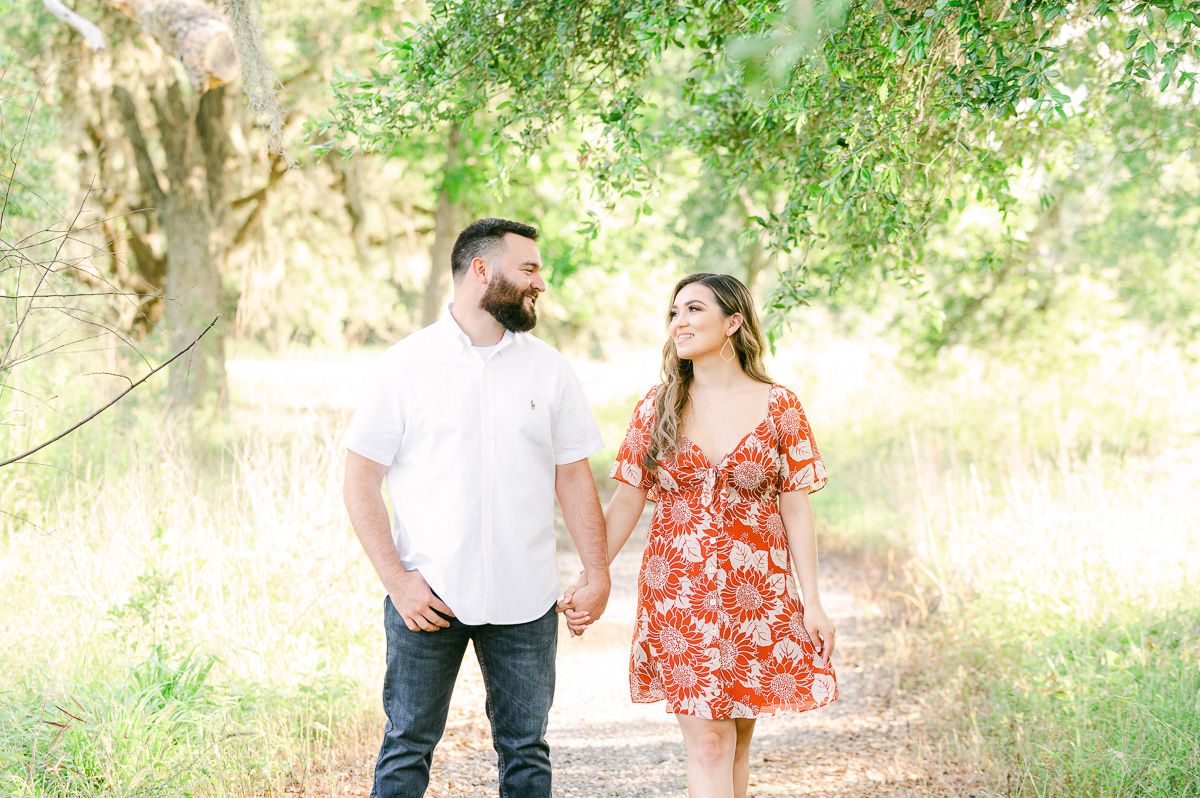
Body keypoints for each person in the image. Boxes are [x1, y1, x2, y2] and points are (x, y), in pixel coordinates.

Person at [342, 217, 611, 798]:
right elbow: (360, 481)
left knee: (526, 751)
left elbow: (573, 475)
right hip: (428, 598)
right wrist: (399, 582)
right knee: (407, 744)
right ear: (482, 271)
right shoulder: (403, 366)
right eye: (530, 269)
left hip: (527, 598)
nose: (541, 283)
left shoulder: (549, 369)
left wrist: (597, 573)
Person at [563, 272, 839, 798]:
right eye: (674, 313)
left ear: (733, 322)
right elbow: (627, 499)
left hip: (758, 596)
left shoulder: (779, 406)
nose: (679, 323)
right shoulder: (658, 405)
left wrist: (813, 603)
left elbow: (796, 508)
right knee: (709, 744)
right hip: (681, 596)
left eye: (693, 310)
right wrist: (591, 574)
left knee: (734, 740)